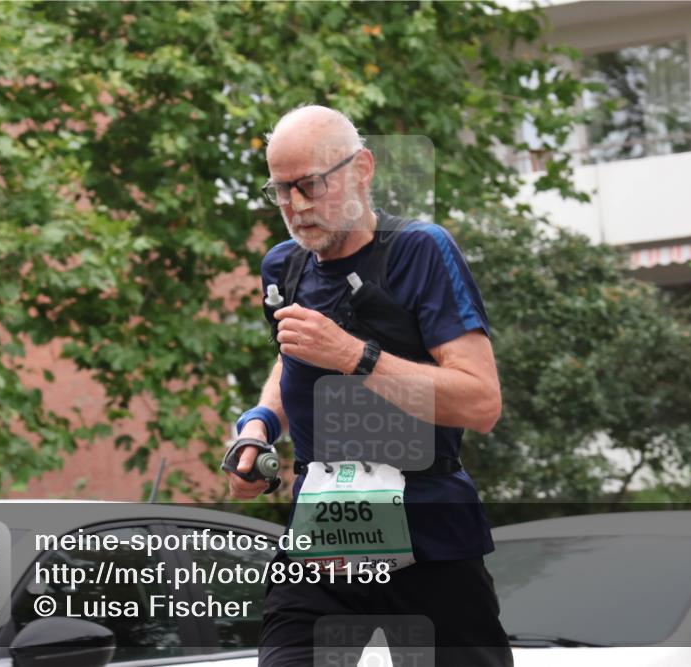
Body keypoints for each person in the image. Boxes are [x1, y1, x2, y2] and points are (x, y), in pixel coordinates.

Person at [224, 104, 512, 667]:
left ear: (362, 169)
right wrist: (258, 425)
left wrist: (356, 357)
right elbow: (293, 361)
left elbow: (481, 403)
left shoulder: (420, 250)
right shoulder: (283, 268)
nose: (297, 207)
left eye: (310, 185)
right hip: (324, 537)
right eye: (281, 191)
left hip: (429, 536)